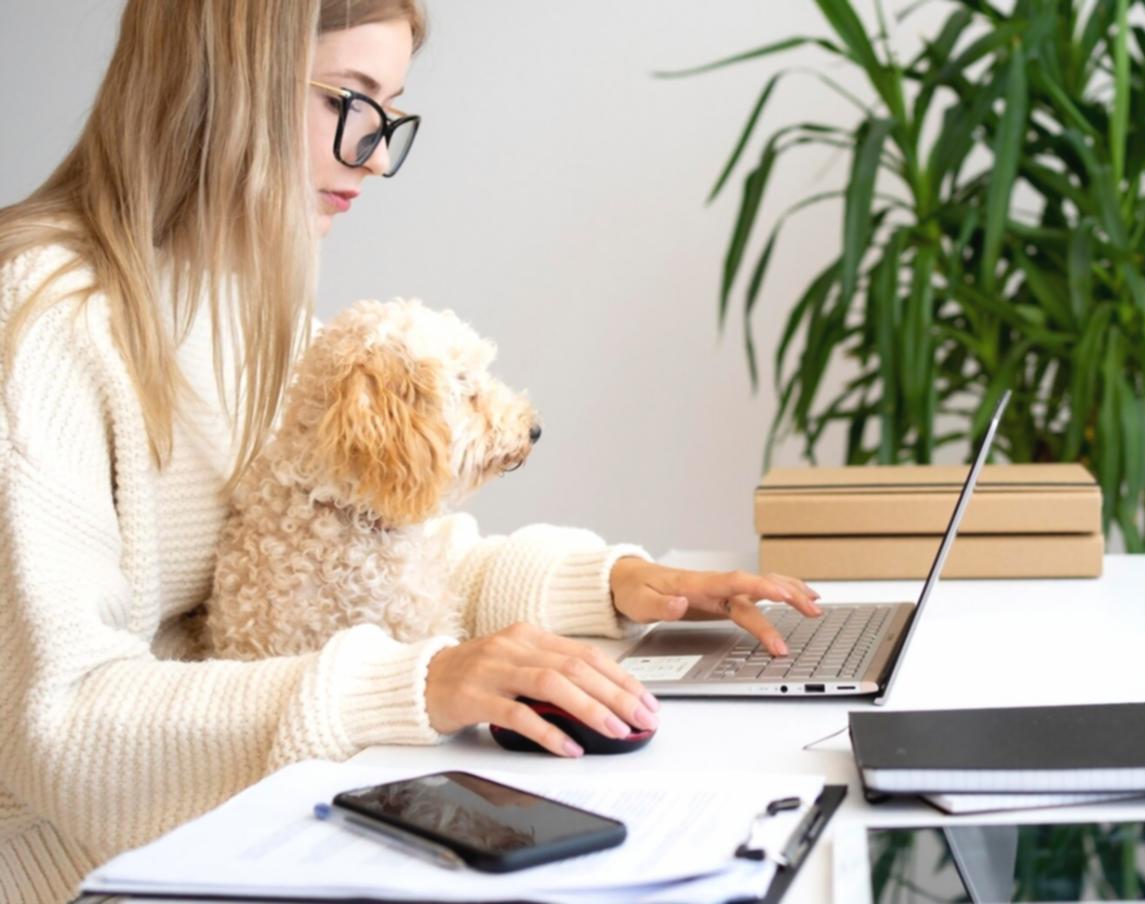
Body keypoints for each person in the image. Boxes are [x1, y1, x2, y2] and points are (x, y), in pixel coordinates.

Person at [0, 2, 821, 900]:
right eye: (349, 102)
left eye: (389, 114)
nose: (377, 154)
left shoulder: (242, 305)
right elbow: (61, 728)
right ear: (224, 82)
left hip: (251, 839)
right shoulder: (41, 322)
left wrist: (621, 585)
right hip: (98, 876)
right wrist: (419, 684)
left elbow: (383, 553)